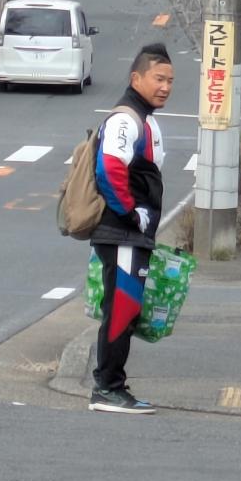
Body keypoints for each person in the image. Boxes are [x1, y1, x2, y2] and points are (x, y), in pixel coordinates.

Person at [88, 43, 174, 414]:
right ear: (136, 78)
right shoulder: (127, 119)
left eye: (170, 80)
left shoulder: (144, 118)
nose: (166, 87)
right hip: (122, 233)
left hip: (129, 235)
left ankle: (112, 385)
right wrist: (131, 215)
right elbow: (109, 168)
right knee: (121, 310)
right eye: (158, 78)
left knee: (125, 310)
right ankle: (107, 388)